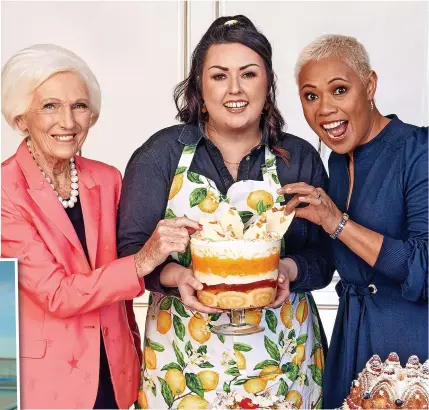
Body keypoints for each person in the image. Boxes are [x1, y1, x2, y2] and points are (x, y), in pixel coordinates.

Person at [118, 16, 335, 409]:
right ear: (199, 86)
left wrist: (286, 271)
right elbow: (132, 252)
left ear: (267, 83)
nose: (234, 89)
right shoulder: (160, 156)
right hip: (183, 368)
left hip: (284, 367)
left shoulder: (298, 157)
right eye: (219, 76)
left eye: (248, 74)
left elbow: (324, 258)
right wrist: (177, 275)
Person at [1, 44, 200, 409]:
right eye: (50, 106)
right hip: (48, 383)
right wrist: (144, 260)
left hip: (117, 367)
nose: (69, 122)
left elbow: (124, 284)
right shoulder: (5, 192)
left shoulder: (107, 179)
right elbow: (56, 294)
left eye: (79, 106)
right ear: (19, 119)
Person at [281, 34, 428, 407]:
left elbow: (424, 267)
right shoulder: (335, 163)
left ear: (370, 86)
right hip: (351, 341)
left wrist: (337, 223)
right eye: (311, 96)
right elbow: (334, 260)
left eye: (340, 90)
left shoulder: (417, 151)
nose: (324, 109)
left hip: (411, 352)